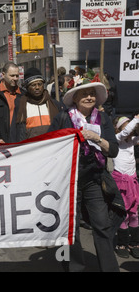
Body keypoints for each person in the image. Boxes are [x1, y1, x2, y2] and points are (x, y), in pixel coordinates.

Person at [48, 79, 121, 272]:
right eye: (84, 94)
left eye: (92, 94)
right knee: (70, 228)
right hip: (67, 181)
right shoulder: (63, 118)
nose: (89, 97)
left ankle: (109, 268)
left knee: (102, 225)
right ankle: (73, 268)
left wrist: (96, 137)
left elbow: (113, 150)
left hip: (94, 180)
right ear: (75, 98)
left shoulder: (103, 119)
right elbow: (49, 146)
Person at [111, 115, 139, 258]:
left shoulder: (132, 141)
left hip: (132, 180)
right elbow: (125, 133)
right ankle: (121, 243)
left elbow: (131, 133)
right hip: (120, 181)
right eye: (126, 125)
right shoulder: (117, 139)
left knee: (134, 213)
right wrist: (135, 119)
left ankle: (134, 243)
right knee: (123, 214)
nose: (130, 128)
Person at [16, 68, 62, 141]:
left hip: (52, 146)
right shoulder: (21, 105)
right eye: (33, 85)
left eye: (39, 84)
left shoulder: (55, 104)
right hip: (31, 148)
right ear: (27, 87)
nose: (37, 87)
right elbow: (18, 132)